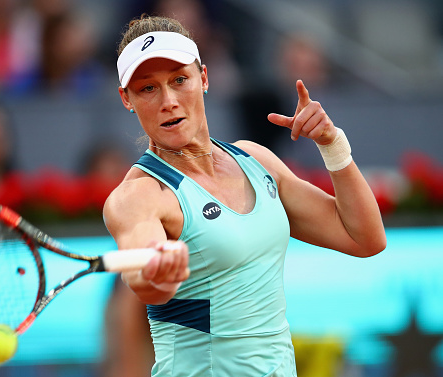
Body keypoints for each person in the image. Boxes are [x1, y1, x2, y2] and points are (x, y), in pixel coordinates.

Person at [102, 15, 386, 376]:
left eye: (179, 80)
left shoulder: (258, 161)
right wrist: (159, 272)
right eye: (147, 88)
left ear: (203, 78)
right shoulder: (139, 195)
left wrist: (333, 146)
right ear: (126, 98)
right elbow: (145, 281)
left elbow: (365, 238)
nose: (169, 100)